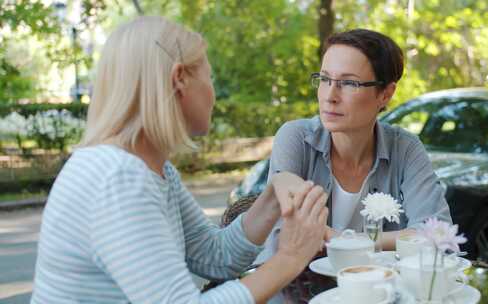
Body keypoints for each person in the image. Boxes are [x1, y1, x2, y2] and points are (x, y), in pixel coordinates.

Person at [31, 16, 330, 304]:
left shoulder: (152, 170)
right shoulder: (119, 178)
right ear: (180, 79)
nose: (213, 93)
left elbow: (216, 256)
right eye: (209, 77)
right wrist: (290, 258)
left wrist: (273, 196)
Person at [257, 29, 452, 268]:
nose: (330, 95)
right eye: (325, 79)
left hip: (379, 289)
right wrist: (395, 240)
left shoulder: (405, 148)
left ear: (385, 94)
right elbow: (285, 235)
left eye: (349, 83)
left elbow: (437, 233)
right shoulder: (296, 138)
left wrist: (340, 238)